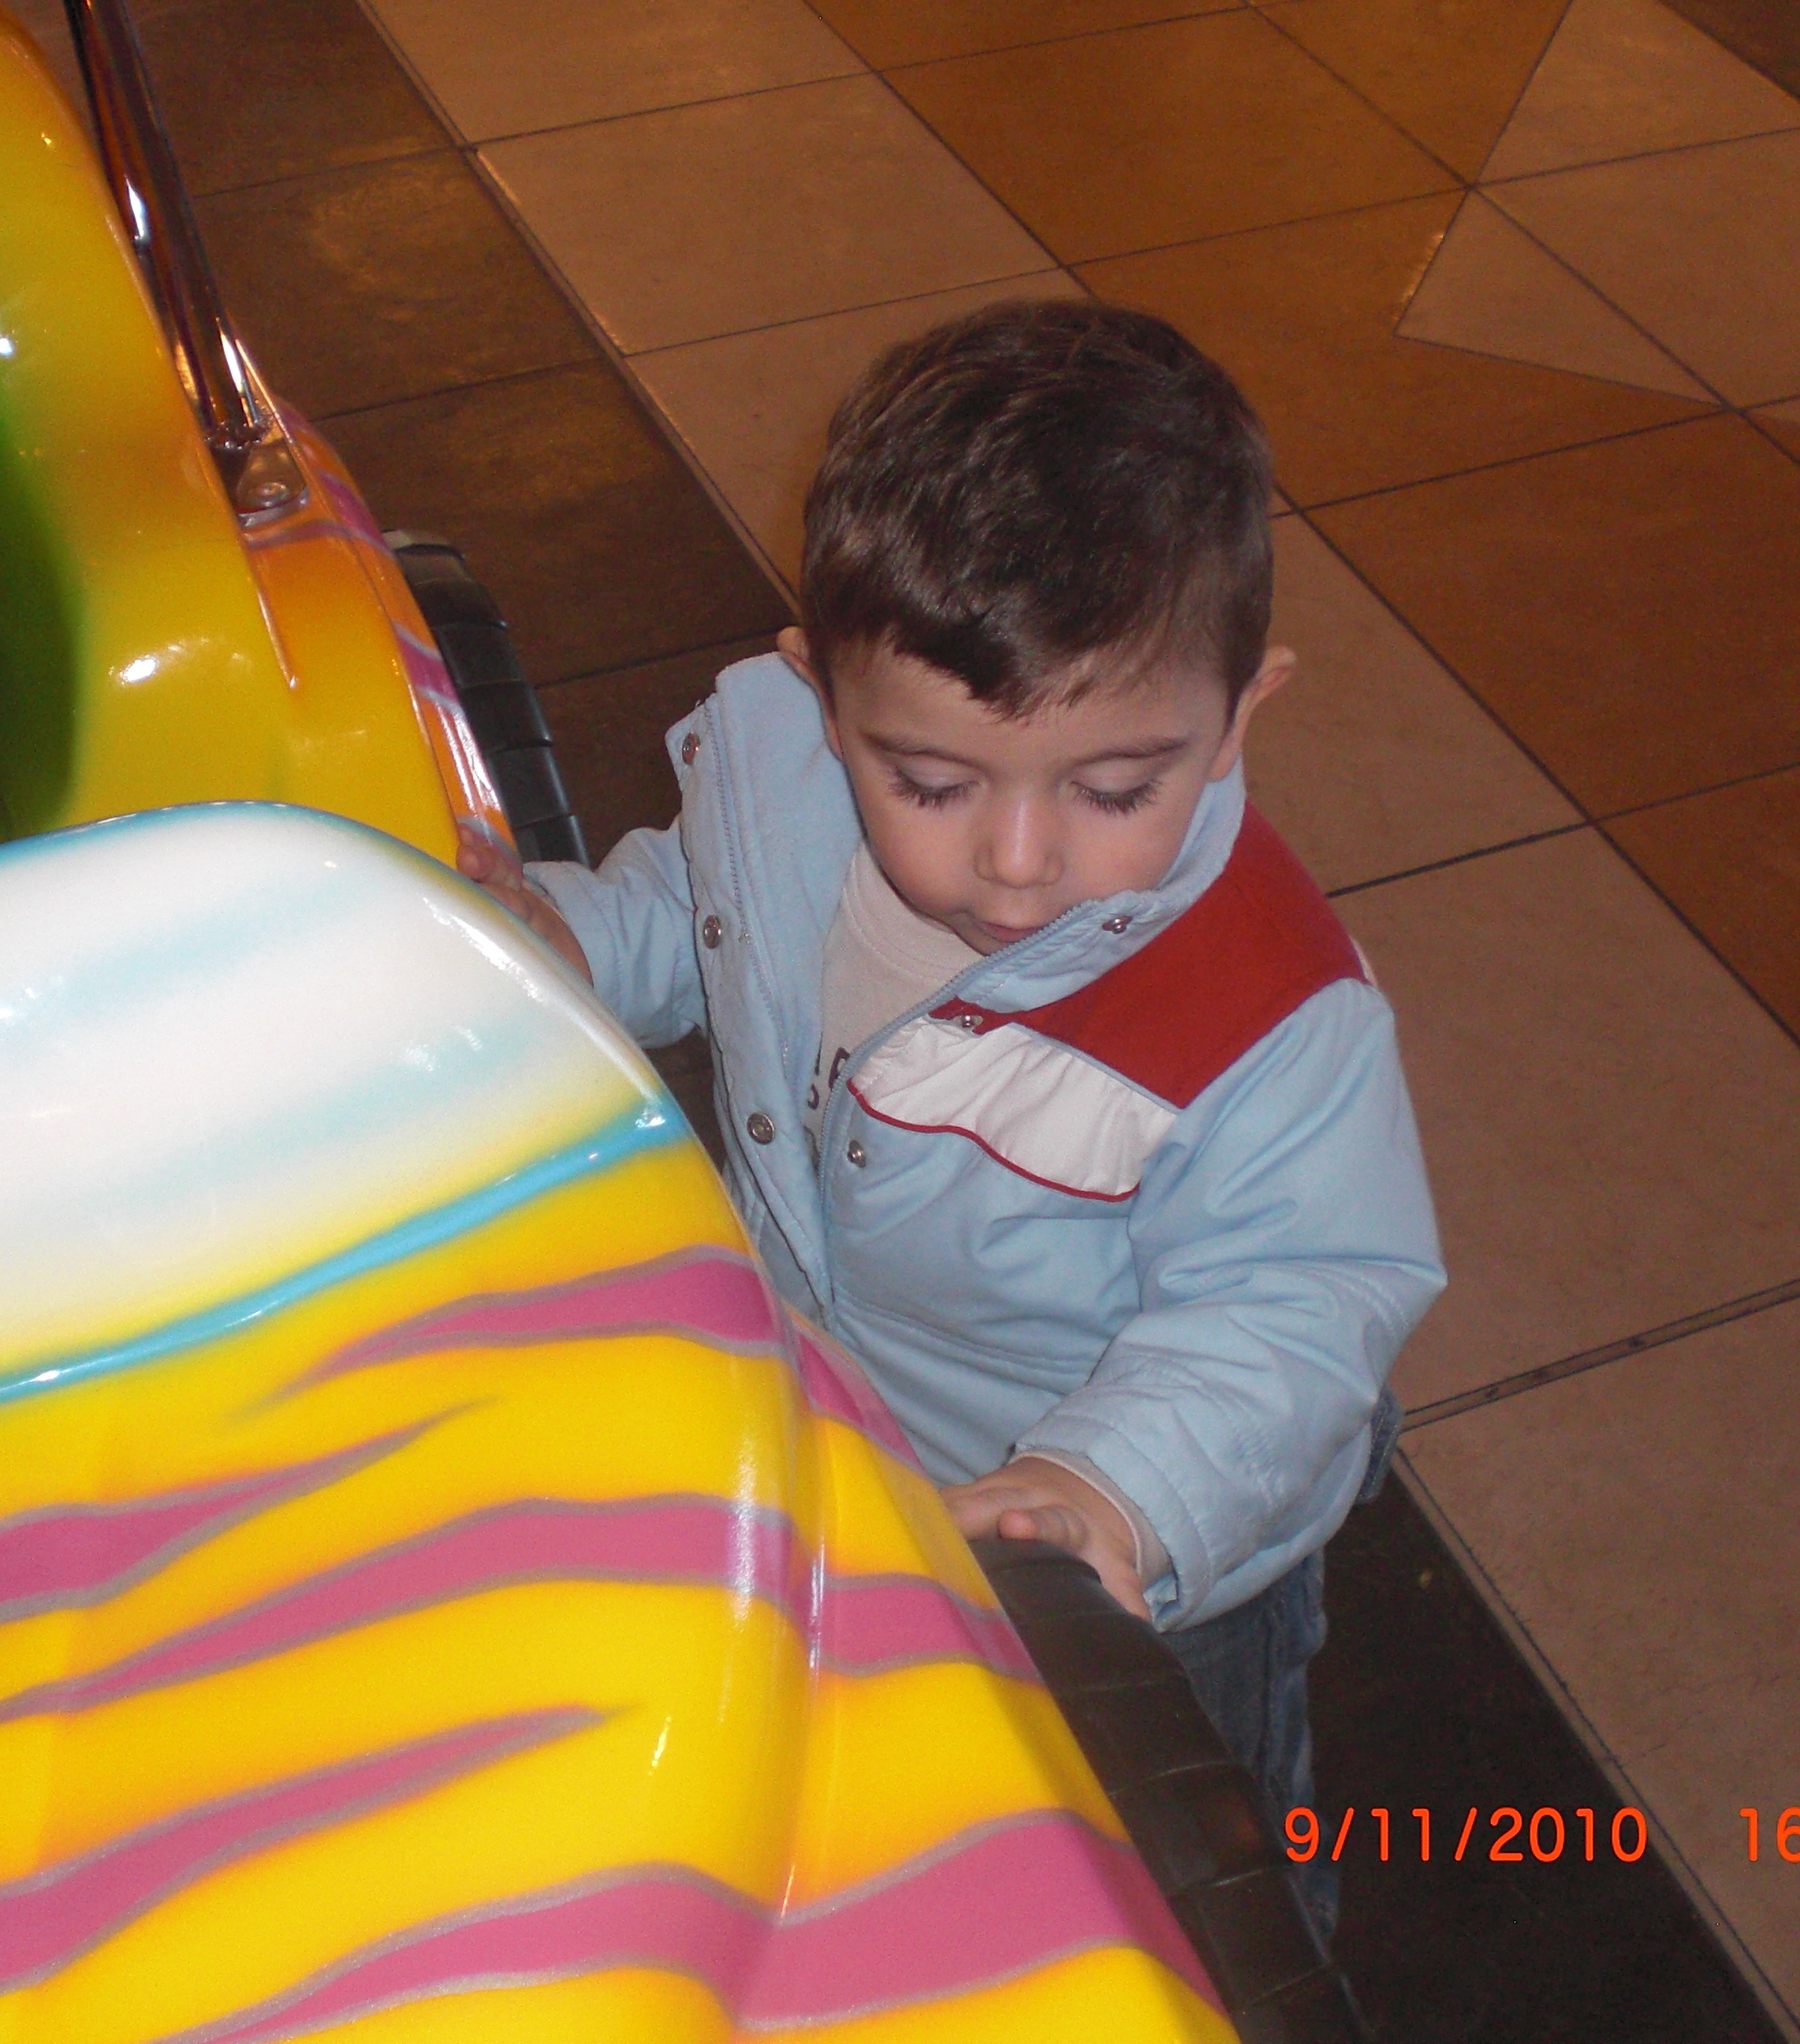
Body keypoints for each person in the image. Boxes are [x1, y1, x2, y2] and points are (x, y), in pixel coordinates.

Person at [458, 299, 1444, 1945]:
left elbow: (1300, 1305)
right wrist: (574, 941)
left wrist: (1102, 1493)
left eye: (1116, 789)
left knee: (1195, 1876)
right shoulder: (786, 792)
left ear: (1239, 715)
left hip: (1135, 1554)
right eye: (928, 783)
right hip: (844, 1440)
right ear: (821, 700)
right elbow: (703, 911)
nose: (1016, 862)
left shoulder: (1268, 1014)